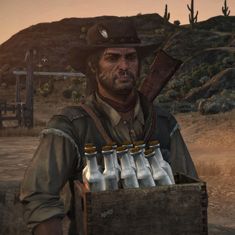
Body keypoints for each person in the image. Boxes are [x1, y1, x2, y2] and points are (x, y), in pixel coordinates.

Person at [20, 19, 198, 235]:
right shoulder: (70, 126)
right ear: (94, 66)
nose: (124, 66)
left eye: (131, 57)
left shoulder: (163, 121)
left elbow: (191, 192)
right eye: (112, 58)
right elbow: (40, 199)